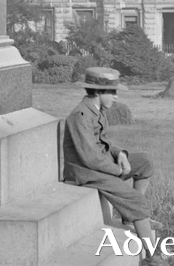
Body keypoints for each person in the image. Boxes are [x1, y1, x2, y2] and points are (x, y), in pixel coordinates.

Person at [63, 67, 160, 260]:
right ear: (98, 92)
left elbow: (104, 142)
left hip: (101, 165)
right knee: (136, 200)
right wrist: (117, 170)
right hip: (86, 172)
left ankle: (129, 215)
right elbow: (90, 157)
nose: (115, 97)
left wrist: (121, 155)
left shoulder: (97, 111)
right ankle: (152, 258)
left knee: (145, 162)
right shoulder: (80, 116)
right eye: (112, 92)